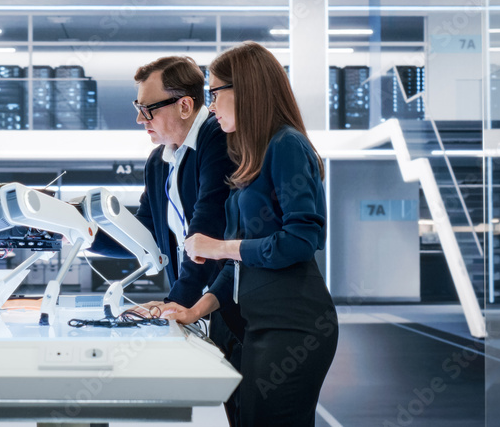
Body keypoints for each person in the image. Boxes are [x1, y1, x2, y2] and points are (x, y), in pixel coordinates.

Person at [161, 42, 339, 426]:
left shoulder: (287, 145)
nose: (210, 106)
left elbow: (301, 239)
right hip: (260, 323)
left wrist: (219, 246)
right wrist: (194, 309)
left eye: (214, 93)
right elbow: (236, 265)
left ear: (246, 90)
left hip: (293, 324)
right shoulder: (254, 157)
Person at [86, 56, 244, 425]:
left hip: (234, 304)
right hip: (197, 307)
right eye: (137, 108)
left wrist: (175, 305)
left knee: (246, 413)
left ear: (185, 105)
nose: (140, 120)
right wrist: (78, 233)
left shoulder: (218, 141)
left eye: (147, 109)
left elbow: (207, 227)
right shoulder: (160, 161)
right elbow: (142, 232)